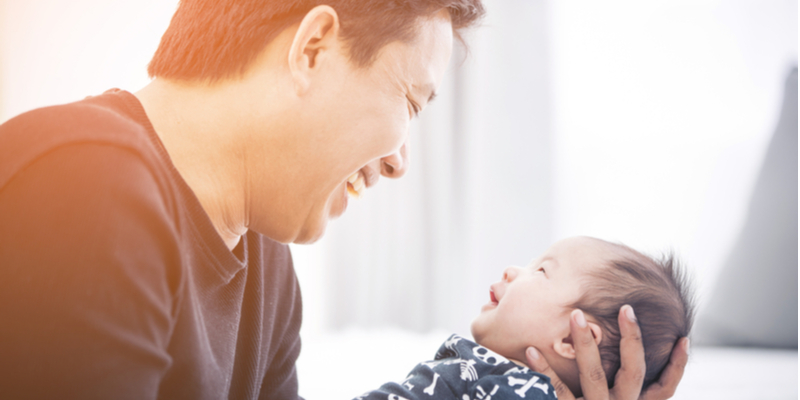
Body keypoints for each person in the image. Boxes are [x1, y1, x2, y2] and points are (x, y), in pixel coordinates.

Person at [0, 1, 688, 399]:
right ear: (314, 46)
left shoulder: (267, 270)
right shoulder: (86, 187)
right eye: (410, 101)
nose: (398, 161)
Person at [353, 237, 694, 400]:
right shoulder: (502, 376)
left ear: (573, 339)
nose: (513, 270)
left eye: (541, 270)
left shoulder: (524, 392)